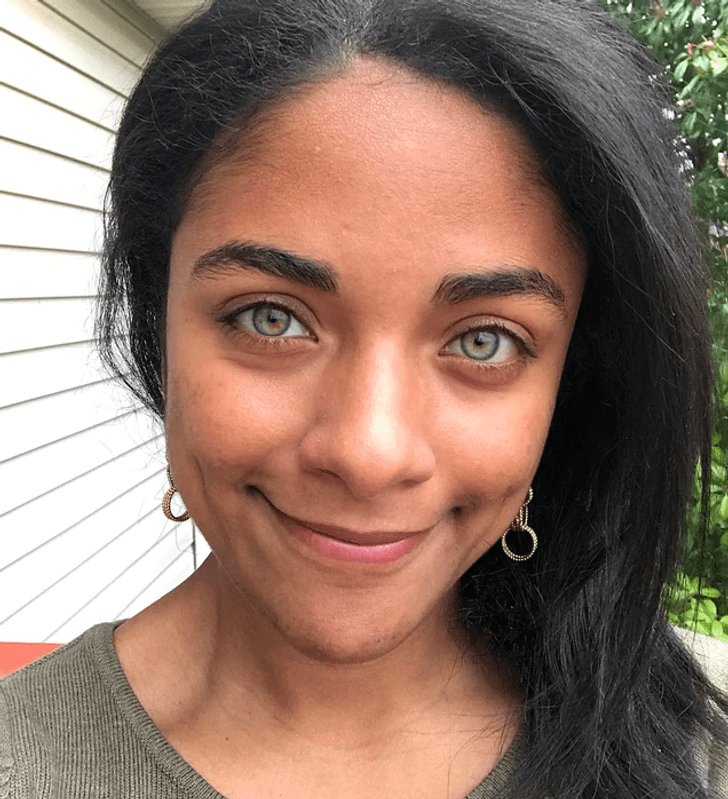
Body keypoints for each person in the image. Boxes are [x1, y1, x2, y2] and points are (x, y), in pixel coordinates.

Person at [1, 0, 727, 796]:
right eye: (271, 318)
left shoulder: (702, 747)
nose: (368, 453)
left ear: (571, 381)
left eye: (485, 340)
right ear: (158, 317)